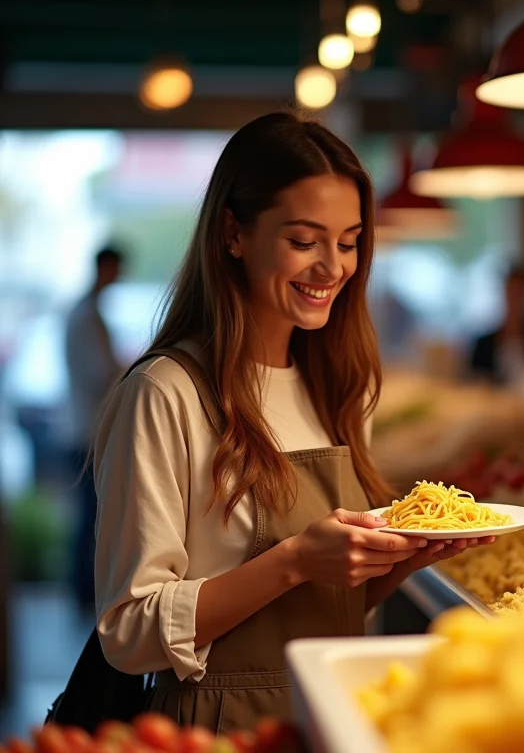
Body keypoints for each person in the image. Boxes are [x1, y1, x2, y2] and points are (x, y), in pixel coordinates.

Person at [92, 112, 493, 730]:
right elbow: (128, 631)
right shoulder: (164, 393)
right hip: (219, 730)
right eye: (304, 241)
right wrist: (295, 560)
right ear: (233, 233)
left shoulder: (330, 385)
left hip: (330, 717)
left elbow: (324, 609)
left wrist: (406, 558)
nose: (332, 267)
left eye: (350, 241)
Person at [64, 245, 125, 615]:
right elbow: (100, 373)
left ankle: (85, 592)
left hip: (83, 426)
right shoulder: (87, 315)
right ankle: (85, 593)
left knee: (89, 514)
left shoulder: (84, 311)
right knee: (91, 515)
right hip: (87, 431)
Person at [468, 265, 524, 385]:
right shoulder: (484, 343)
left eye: (521, 293)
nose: (516, 300)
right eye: (512, 292)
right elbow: (474, 382)